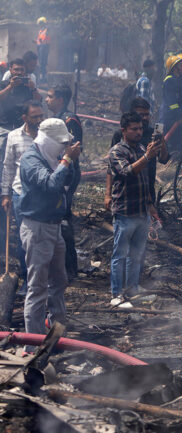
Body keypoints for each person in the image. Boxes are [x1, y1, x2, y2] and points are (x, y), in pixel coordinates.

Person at [18, 119, 80, 352]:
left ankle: (57, 331)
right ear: (49, 140)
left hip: (54, 226)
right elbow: (51, 185)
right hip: (37, 227)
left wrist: (69, 163)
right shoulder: (31, 160)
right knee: (37, 287)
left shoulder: (53, 157)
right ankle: (32, 345)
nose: (64, 148)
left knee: (59, 280)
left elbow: (70, 182)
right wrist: (67, 159)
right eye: (61, 143)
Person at [108, 112, 166, 308]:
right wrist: (147, 157)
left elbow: (146, 179)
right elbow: (127, 172)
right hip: (125, 212)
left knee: (137, 254)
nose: (139, 132)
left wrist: (151, 207)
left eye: (140, 128)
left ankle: (132, 288)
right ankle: (116, 294)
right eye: (134, 129)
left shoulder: (142, 147)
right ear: (123, 130)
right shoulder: (117, 151)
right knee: (120, 255)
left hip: (142, 212)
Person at [1, 101, 45, 281]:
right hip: (20, 194)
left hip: (43, 194)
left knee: (41, 238)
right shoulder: (13, 136)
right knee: (23, 238)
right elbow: (9, 166)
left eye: (41, 116)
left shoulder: (46, 136)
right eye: (35, 117)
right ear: (25, 118)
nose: (39, 120)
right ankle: (27, 279)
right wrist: (5, 194)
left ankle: (40, 279)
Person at [46, 84, 83, 280]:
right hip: (57, 175)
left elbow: (74, 150)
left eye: (50, 96)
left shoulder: (69, 120)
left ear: (60, 99)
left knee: (65, 220)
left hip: (67, 177)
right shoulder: (55, 119)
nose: (47, 100)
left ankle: (70, 268)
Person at [106, 97, 167, 211]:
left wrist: (161, 141)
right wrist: (107, 194)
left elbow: (163, 159)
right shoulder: (120, 134)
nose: (145, 118)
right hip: (124, 192)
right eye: (141, 114)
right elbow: (111, 167)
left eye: (147, 114)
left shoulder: (152, 133)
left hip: (147, 190)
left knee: (146, 224)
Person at [0, 59, 41, 151]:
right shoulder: (3, 84)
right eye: (16, 69)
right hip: (4, 127)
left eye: (22, 70)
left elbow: (38, 102)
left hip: (22, 128)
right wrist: (10, 86)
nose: (19, 72)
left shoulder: (28, 87)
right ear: (10, 70)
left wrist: (33, 88)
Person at [160, 56, 182, 160]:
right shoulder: (169, 81)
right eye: (181, 65)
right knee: (165, 141)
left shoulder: (180, 80)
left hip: (179, 116)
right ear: (174, 67)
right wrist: (179, 114)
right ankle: (166, 163)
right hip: (168, 117)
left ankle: (180, 163)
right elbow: (171, 102)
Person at [36, 18, 49, 83]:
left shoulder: (47, 29)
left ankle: (43, 77)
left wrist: (42, 41)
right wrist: (36, 41)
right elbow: (39, 39)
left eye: (40, 23)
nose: (39, 25)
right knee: (40, 62)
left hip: (44, 46)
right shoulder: (40, 31)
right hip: (40, 46)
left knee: (43, 62)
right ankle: (42, 76)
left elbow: (46, 38)